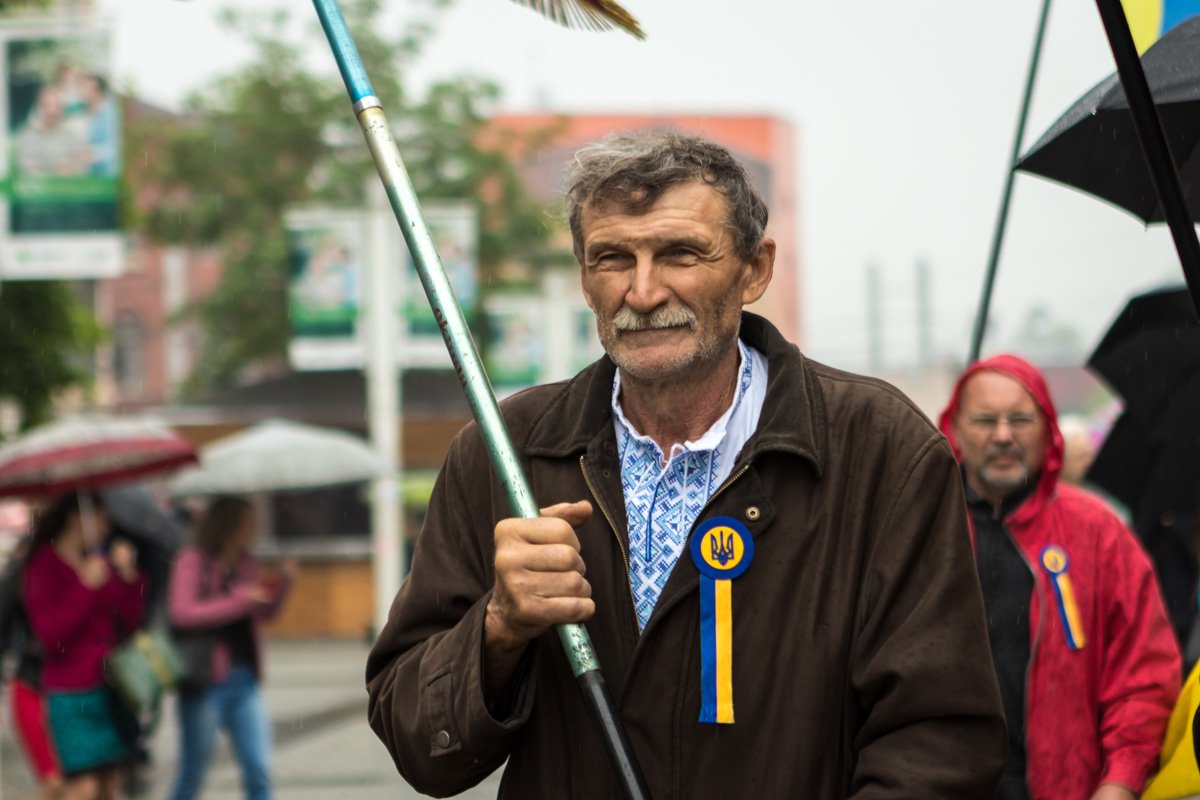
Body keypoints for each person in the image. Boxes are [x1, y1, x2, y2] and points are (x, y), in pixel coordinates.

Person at [366, 131, 1005, 798]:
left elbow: (940, 741)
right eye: (613, 258)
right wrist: (498, 628)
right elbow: (417, 739)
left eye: (680, 254)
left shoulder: (881, 450)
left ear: (754, 269)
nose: (642, 292)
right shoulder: (503, 455)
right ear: (585, 277)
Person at [937, 354, 1182, 800]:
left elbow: (1144, 676)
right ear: (953, 428)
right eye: (986, 420)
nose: (1004, 436)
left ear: (1049, 428)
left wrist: (1121, 781)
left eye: (1021, 419)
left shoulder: (1097, 531)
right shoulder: (922, 527)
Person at [167, 495, 296, 800]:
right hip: (205, 682)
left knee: (258, 770)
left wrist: (283, 585)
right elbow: (182, 612)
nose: (253, 530)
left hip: (244, 678)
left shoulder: (246, 563)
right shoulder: (192, 560)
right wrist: (241, 600)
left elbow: (264, 614)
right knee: (192, 772)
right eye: (248, 523)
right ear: (229, 525)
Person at [21, 490, 145, 800]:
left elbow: (128, 623)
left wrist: (128, 576)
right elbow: (51, 637)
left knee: (107, 787)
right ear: (77, 518)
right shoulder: (42, 567)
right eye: (101, 518)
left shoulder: (98, 561)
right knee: (83, 788)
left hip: (109, 688)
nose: (106, 527)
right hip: (70, 694)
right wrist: (84, 588)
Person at [0, 534, 62, 799]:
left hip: (83, 692)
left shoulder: (94, 567)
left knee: (88, 786)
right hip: (33, 683)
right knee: (55, 783)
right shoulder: (22, 571)